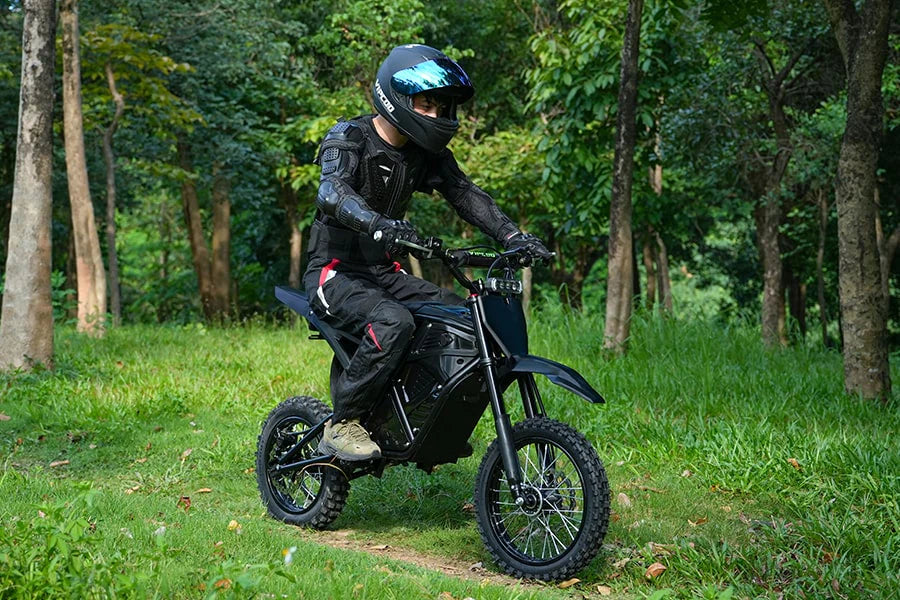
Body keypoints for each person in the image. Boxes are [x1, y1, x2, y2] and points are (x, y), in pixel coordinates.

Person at [303, 44, 551, 461]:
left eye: (442, 107)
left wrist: (513, 236)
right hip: (334, 271)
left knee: (464, 320)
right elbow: (331, 191)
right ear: (396, 97)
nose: (437, 115)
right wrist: (376, 223)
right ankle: (343, 422)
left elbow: (465, 195)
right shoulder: (350, 137)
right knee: (393, 321)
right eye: (427, 104)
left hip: (383, 273)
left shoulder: (424, 155)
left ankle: (417, 419)